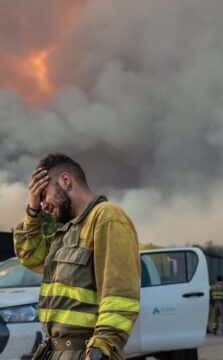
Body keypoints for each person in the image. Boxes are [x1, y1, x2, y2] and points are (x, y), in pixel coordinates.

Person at [13, 153, 141, 360]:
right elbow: (29, 256)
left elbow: (120, 296)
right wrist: (33, 211)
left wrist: (102, 349)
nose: (43, 204)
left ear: (65, 181)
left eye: (44, 194)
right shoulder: (66, 231)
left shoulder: (107, 217)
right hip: (56, 352)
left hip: (86, 352)